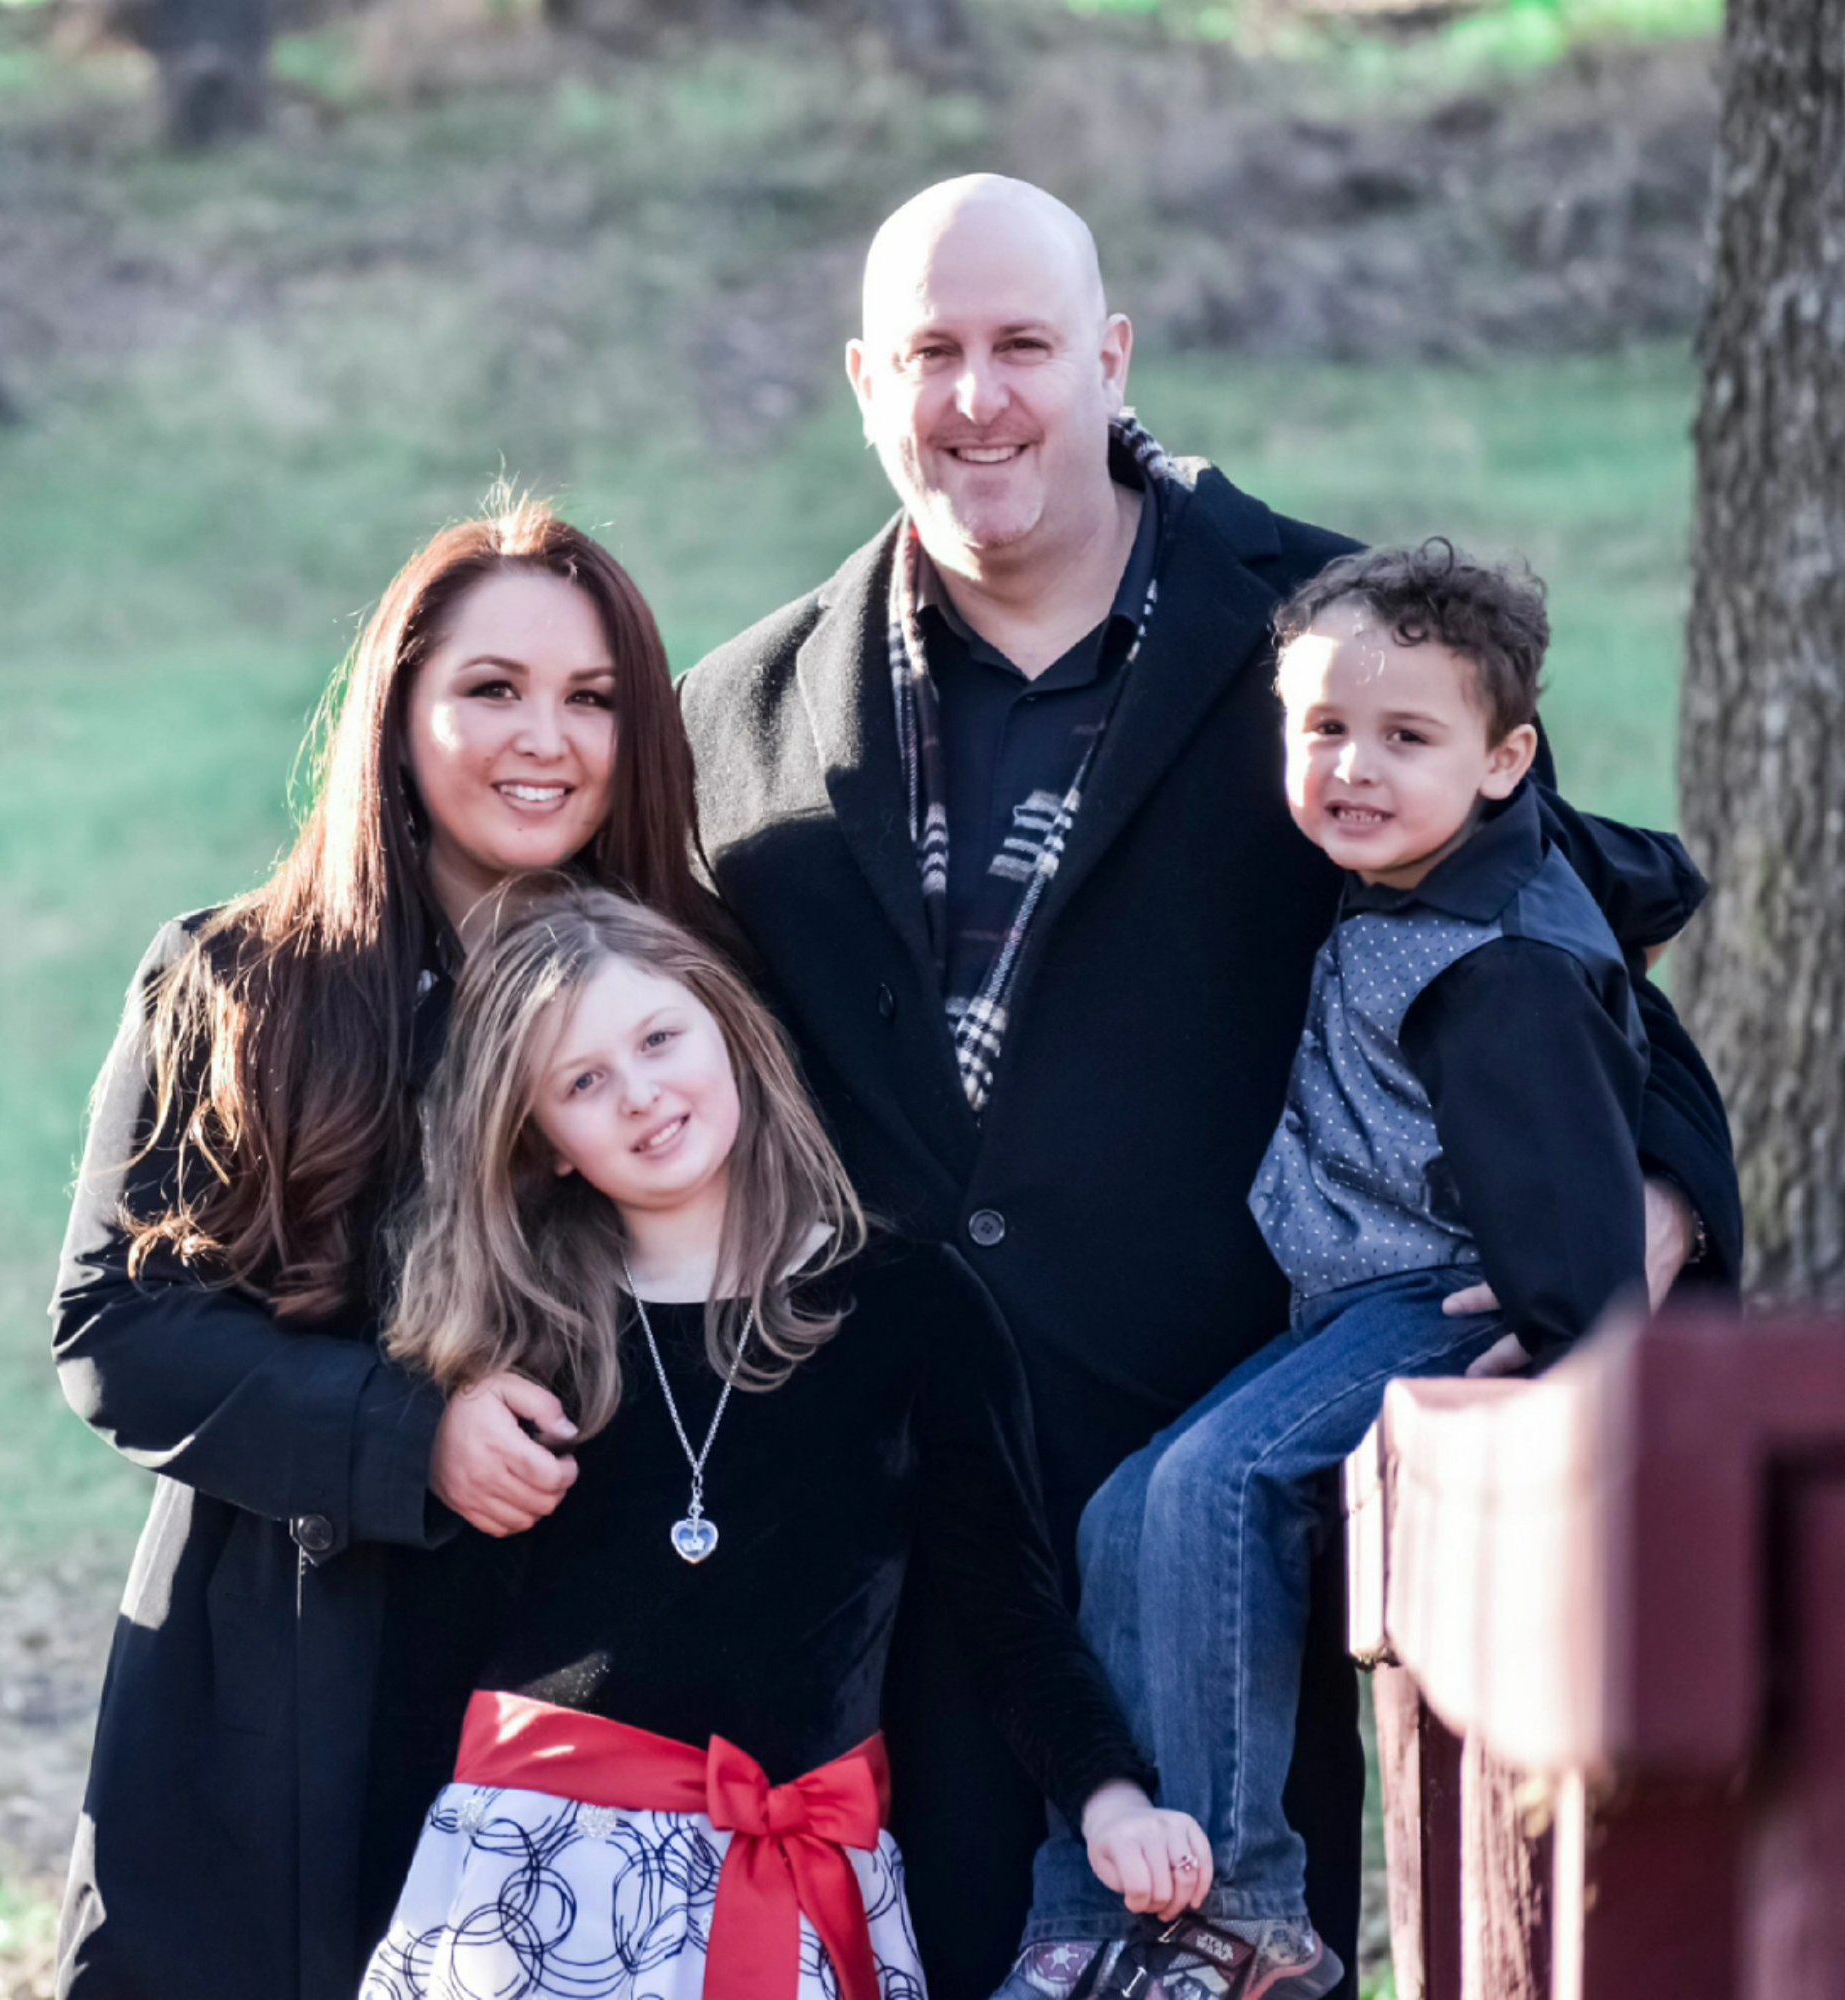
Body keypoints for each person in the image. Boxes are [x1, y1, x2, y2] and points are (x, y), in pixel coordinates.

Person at [677, 174, 1745, 1996]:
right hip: (876, 1554)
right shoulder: (743, 714)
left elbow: (1556, 953)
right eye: (933, 352)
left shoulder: (1335, 653)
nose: (980, 397)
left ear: (1112, 358)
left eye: (1025, 345)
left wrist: (1653, 1206)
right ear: (865, 381)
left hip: (1213, 1522)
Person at [50, 498, 731, 1999]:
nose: (544, 738)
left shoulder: (687, 1000)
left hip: (582, 1712)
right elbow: (117, 1331)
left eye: (592, 696)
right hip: (280, 1689)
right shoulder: (237, 981)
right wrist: (410, 1434)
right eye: (492, 688)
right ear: (400, 712)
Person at [1000, 541, 1699, 2000]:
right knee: (1126, 1507)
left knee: (1215, 1483)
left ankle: (1242, 1906)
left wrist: (1567, 1323)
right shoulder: (1422, 868)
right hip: (1355, 1296)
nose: (1355, 768)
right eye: (1323, 728)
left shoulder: (1500, 960)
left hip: (1439, 1301)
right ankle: (1099, 1905)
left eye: (1406, 737)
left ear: (1505, 761)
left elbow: (1571, 1163)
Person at [359, 885, 1208, 2000]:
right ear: (545, 1142)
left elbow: (1007, 1608)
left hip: (807, 1882)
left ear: (727, 1026)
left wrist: (1111, 1795)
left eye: (658, 1038)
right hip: (536, 1881)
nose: (641, 1093)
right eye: (582, 1082)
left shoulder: (910, 1305)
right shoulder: (526, 1338)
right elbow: (428, 1653)